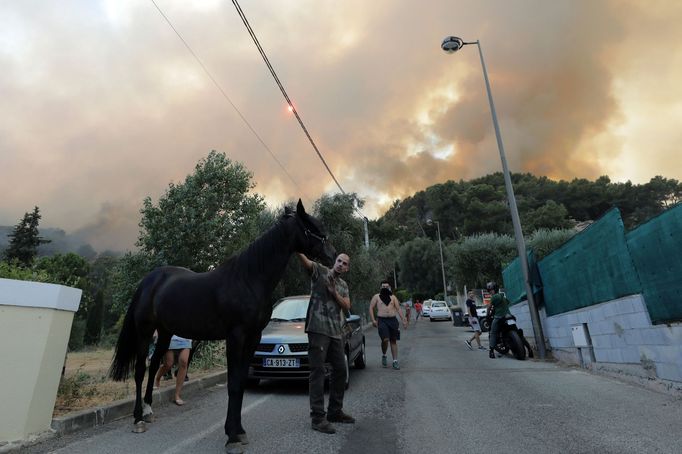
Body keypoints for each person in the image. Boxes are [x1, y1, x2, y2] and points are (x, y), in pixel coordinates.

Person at [298, 252, 355, 434]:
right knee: (317, 371)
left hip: (336, 333)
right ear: (334, 262)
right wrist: (297, 248)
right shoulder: (320, 271)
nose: (340, 264)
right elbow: (307, 262)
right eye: (339, 261)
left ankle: (334, 412)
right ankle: (317, 417)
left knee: (340, 370)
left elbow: (347, 305)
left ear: (346, 268)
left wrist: (334, 293)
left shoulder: (343, 285)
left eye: (344, 263)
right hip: (318, 330)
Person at [369, 281, 408, 370]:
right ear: (380, 287)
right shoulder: (376, 297)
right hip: (382, 321)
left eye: (387, 286)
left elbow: (398, 309)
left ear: (389, 287)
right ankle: (384, 355)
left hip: (393, 320)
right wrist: (373, 320)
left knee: (393, 341)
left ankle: (395, 361)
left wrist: (403, 320)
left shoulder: (393, 297)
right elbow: (371, 307)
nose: (385, 288)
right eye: (383, 286)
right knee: (385, 339)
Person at [154, 334, 192, 405]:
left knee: (184, 362)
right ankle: (157, 378)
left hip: (185, 335)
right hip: (170, 335)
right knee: (168, 364)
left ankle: (177, 395)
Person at [486, 282, 511, 359]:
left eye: (491, 290)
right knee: (516, 329)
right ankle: (529, 349)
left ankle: (491, 351)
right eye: (489, 290)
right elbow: (508, 302)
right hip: (509, 315)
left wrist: (487, 315)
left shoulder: (494, 297)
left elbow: (489, 308)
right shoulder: (502, 296)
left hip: (499, 317)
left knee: (493, 332)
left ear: (494, 289)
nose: (490, 291)